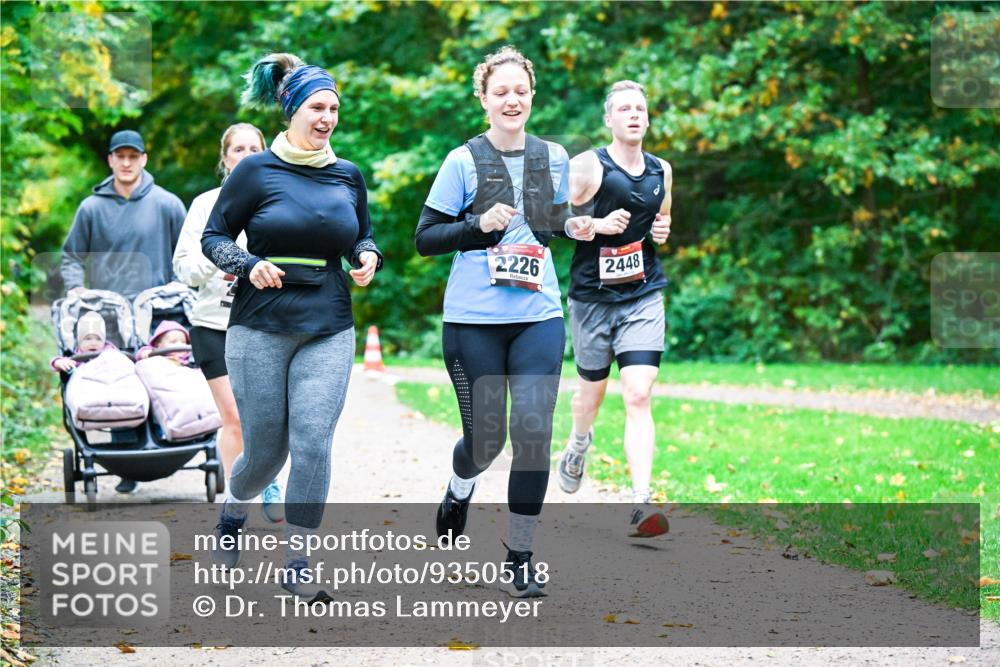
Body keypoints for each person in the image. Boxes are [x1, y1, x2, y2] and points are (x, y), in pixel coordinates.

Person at [201, 52, 381, 602]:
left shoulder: (348, 175)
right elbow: (215, 237)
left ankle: (298, 560)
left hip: (328, 323)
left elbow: (360, 235)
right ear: (291, 110)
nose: (327, 117)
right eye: (316, 107)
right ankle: (233, 514)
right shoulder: (256, 172)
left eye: (334, 108)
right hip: (259, 326)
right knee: (264, 452)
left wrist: (368, 254)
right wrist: (247, 263)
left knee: (312, 443)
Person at [415, 46, 594, 598]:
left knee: (534, 432)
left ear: (531, 95)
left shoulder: (555, 157)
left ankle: (519, 554)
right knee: (486, 442)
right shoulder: (462, 161)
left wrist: (576, 228)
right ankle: (459, 486)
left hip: (538, 315)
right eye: (501, 92)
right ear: (484, 99)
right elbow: (426, 239)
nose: (511, 100)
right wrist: (476, 224)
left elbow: (551, 222)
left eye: (520, 91)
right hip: (473, 322)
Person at [557, 80, 673, 539]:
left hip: (643, 294)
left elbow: (662, 219)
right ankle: (578, 442)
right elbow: (552, 219)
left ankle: (641, 502)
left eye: (640, 109)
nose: (633, 115)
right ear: (609, 119)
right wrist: (595, 225)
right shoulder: (587, 165)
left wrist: (663, 232)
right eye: (623, 109)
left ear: (647, 118)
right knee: (591, 395)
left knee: (639, 394)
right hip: (591, 297)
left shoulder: (662, 169)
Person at [60, 129, 187, 493]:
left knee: (158, 377)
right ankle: (126, 463)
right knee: (118, 383)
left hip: (156, 311)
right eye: (121, 156)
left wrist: (178, 285)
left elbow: (186, 253)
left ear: (144, 159)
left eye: (134, 156)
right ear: (111, 161)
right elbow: (71, 257)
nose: (127, 163)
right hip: (109, 313)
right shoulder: (91, 208)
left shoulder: (167, 204)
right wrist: (76, 288)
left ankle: (165, 447)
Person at [172, 123, 284, 522]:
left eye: (255, 148)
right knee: (235, 415)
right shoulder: (205, 204)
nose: (246, 155)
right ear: (225, 158)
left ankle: (262, 475)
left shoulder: (277, 200)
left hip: (263, 323)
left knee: (265, 415)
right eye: (238, 149)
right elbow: (182, 266)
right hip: (213, 325)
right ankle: (237, 502)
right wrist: (219, 262)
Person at [51, 312, 116, 372]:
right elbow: (58, 362)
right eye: (88, 339)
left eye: (98, 339)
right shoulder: (77, 357)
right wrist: (58, 362)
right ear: (80, 342)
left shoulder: (110, 352)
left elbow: (122, 361)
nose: (93, 343)